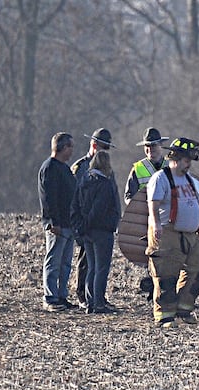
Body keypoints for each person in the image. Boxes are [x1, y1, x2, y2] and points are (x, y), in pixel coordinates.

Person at [146, 137, 199, 328]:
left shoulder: (189, 179)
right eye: (186, 160)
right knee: (166, 275)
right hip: (168, 233)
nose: (188, 165)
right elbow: (153, 205)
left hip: (190, 236)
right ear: (175, 158)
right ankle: (164, 315)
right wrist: (156, 225)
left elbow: (196, 203)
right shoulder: (161, 178)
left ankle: (184, 308)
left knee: (198, 269)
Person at [71, 128, 115, 309]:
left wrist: (81, 226)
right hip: (99, 230)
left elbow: (76, 204)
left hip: (87, 229)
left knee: (92, 268)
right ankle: (95, 301)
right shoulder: (101, 181)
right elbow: (98, 209)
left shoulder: (85, 180)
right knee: (99, 268)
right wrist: (83, 225)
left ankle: (91, 301)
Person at [125, 127, 169, 299]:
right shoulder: (138, 168)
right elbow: (128, 196)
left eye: (154, 145)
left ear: (161, 146)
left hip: (167, 219)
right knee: (151, 255)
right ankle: (154, 290)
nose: (150, 149)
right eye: (147, 146)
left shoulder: (170, 166)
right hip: (146, 220)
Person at [38, 132, 77, 312]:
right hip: (57, 225)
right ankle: (50, 297)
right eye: (70, 146)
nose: (72, 151)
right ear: (62, 147)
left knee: (65, 263)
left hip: (69, 224)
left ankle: (62, 296)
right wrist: (53, 222)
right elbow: (48, 198)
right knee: (53, 261)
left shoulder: (65, 168)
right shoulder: (50, 168)